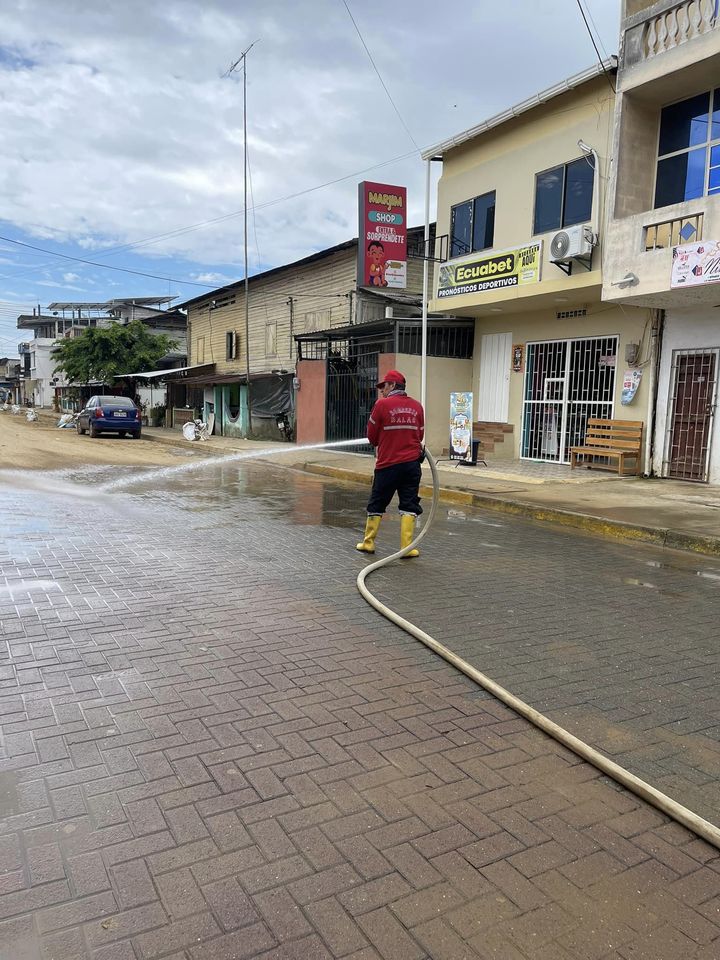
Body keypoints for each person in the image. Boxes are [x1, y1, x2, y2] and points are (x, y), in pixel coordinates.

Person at [356, 370, 425, 558]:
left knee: (377, 502)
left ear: (393, 385)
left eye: (384, 386)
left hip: (387, 465)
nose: (381, 391)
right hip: (411, 465)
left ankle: (368, 543)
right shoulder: (417, 406)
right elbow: (420, 435)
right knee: (409, 504)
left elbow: (372, 437)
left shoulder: (381, 405)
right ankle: (406, 548)